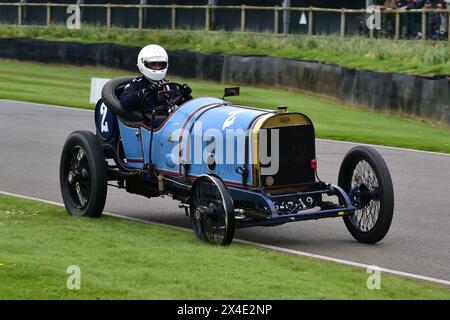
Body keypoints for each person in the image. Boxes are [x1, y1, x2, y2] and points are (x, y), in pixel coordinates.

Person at [120, 44, 192, 127]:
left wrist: (186, 96)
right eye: (153, 64)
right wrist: (145, 91)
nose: (157, 68)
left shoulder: (170, 85)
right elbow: (125, 101)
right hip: (146, 125)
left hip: (170, 124)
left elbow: (184, 108)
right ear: (143, 64)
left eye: (160, 64)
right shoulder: (136, 84)